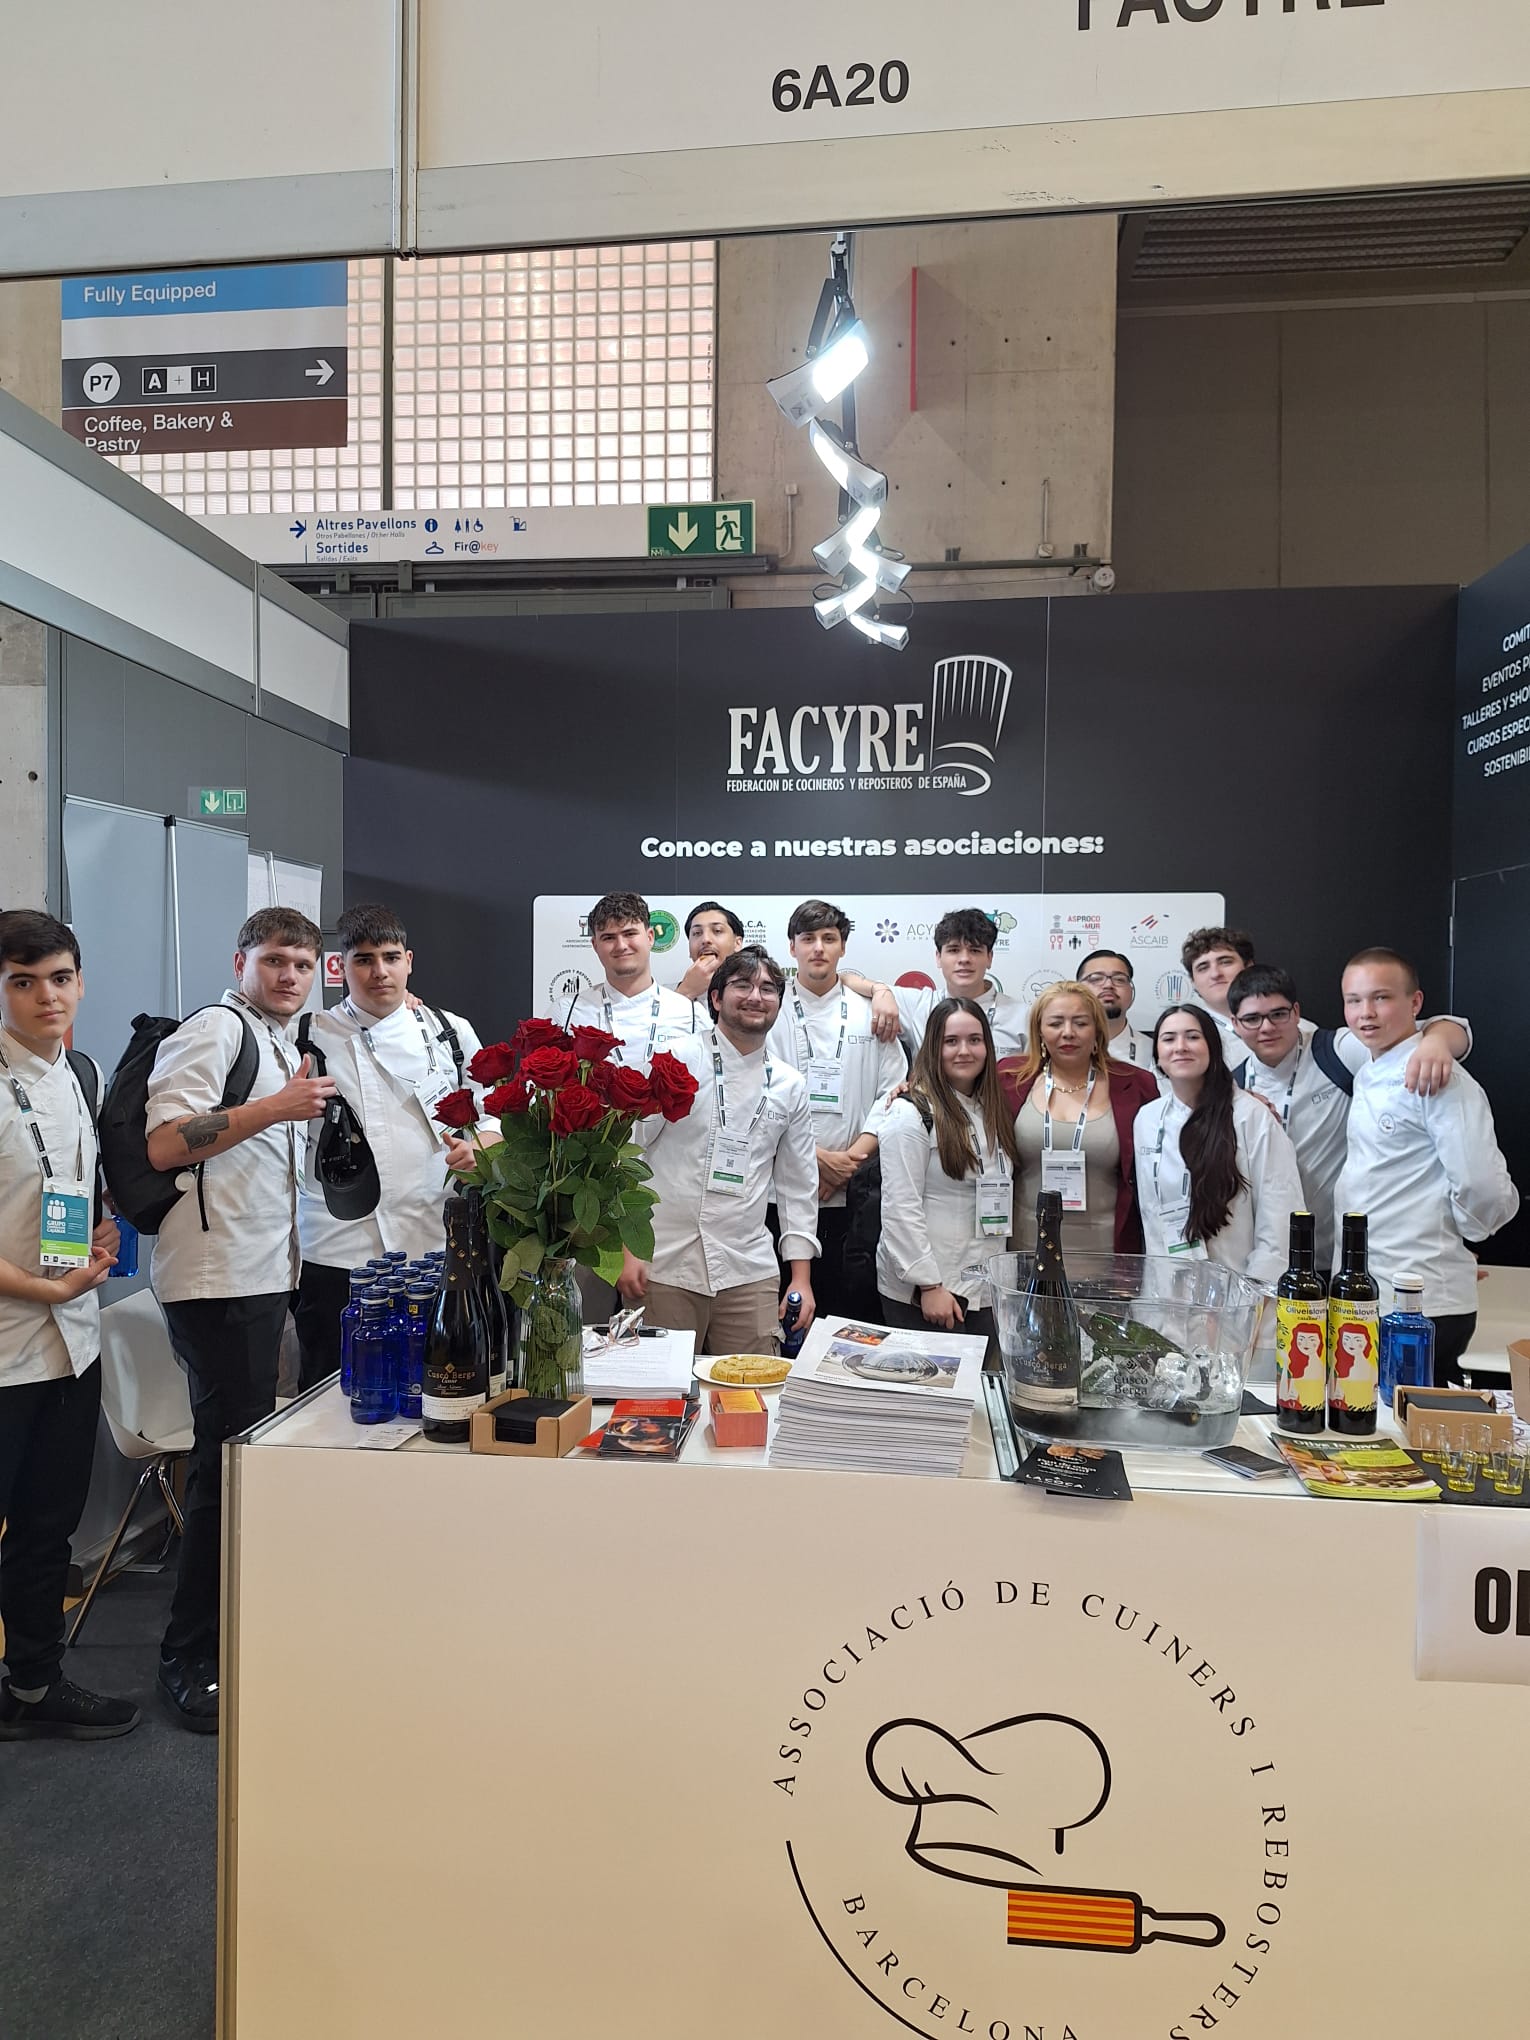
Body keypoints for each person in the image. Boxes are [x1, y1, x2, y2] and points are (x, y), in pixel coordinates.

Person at [145, 907, 335, 1731]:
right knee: (224, 1471)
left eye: (302, 964)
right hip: (216, 1281)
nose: (289, 975)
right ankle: (187, 1656)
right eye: (275, 960)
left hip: (260, 1274)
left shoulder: (274, 1039)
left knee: (243, 1464)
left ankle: (231, 1636)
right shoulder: (215, 1029)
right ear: (241, 963)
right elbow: (165, 1144)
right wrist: (277, 1107)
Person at [0, 911, 137, 1742]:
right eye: (23, 982)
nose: (46, 996)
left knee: (48, 1528)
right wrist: (39, 1287)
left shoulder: (81, 1072)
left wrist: (98, 1227)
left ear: (80, 983)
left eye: (58, 978)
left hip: (71, 1343)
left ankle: (33, 1683)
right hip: (6, 1346)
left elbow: (67, 1190)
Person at [294, 903, 487, 1392]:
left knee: (439, 1383)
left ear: (409, 961)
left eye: (390, 957)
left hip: (435, 1239)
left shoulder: (449, 1031)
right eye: (363, 959)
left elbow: (493, 1115)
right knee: (333, 1389)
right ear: (340, 966)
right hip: (340, 1246)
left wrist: (480, 1149)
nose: (379, 971)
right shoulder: (308, 1034)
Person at [618, 948, 819, 1355]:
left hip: (748, 1268)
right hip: (663, 1264)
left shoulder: (790, 1084)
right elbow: (628, 1153)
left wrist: (801, 1278)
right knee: (664, 1389)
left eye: (768, 989)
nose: (755, 997)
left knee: (751, 1387)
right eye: (742, 985)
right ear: (715, 998)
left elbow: (798, 1186)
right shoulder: (676, 1060)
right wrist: (628, 1250)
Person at [1334, 948, 1518, 1385]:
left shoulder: (1438, 1074)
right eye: (1354, 1000)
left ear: (1415, 1003)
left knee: (1415, 1418)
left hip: (1425, 1300)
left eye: (1381, 997)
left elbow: (1484, 1185)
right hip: (1373, 1290)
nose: (1366, 1013)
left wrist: (1461, 1237)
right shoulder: (1370, 1063)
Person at [1224, 962, 1470, 1271]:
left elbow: (1446, 1029)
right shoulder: (1233, 1086)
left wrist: (1436, 1042)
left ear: (1296, 1012)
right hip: (1271, 1255)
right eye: (1252, 1019)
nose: (1267, 1027)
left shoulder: (1335, 1051)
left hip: (1347, 1254)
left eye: (1278, 1014)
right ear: (1235, 1023)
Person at [767, 900, 908, 1317]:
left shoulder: (872, 1013)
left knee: (848, 1320)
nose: (818, 948)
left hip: (853, 1196)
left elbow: (893, 1093)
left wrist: (849, 1163)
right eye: (808, 938)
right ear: (791, 947)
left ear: (842, 948)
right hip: (781, 1195)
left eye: (829, 939)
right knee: (784, 1319)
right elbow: (757, 1095)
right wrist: (812, 1160)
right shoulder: (768, 1010)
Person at [876, 998, 1019, 1341]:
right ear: (933, 1048)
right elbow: (900, 1207)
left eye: (974, 1040)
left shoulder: (992, 1109)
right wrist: (928, 1285)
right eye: (951, 1041)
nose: (964, 1051)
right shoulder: (910, 1114)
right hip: (929, 1292)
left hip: (984, 1288)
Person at [1133, 1003, 1304, 1285]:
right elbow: (1151, 1216)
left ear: (1212, 1048)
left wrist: (1256, 1291)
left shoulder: (1250, 1115)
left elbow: (1279, 1214)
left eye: (1192, 1037)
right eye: (1169, 1039)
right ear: (1158, 1057)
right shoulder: (1147, 1119)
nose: (1180, 1047)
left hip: (1238, 1290)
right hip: (1167, 1292)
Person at [998, 981, 1160, 1254]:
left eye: (1081, 1023)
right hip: (1025, 1252)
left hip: (1109, 1255)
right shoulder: (1008, 1078)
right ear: (1039, 1030)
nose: (1068, 1033)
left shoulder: (1137, 1084)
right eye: (1055, 1023)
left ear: (1097, 1029)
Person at [843, 907, 1028, 1055]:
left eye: (975, 950)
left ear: (989, 958)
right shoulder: (919, 1005)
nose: (964, 959)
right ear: (938, 958)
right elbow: (843, 978)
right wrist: (880, 991)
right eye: (954, 950)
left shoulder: (1022, 1016)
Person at [553, 891, 696, 1068]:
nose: (621, 946)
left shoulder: (691, 1014)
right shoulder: (566, 1012)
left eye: (629, 934)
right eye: (609, 937)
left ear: (650, 937)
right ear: (595, 945)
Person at [1181, 927, 1256, 1054]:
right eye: (1203, 968)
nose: (1215, 974)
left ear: (1249, 967)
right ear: (1193, 982)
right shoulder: (1182, 1037)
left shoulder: (1289, 1025)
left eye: (1225, 962)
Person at [1077, 950, 1153, 1069]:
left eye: (1119, 979)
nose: (1108, 985)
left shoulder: (1154, 1051)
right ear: (1077, 990)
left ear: (1131, 991)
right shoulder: (1059, 1047)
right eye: (1096, 979)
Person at [675, 900, 745, 1006]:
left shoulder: (756, 993)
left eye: (717, 931)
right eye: (697, 933)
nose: (705, 939)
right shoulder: (664, 996)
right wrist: (685, 992)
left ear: (737, 943)